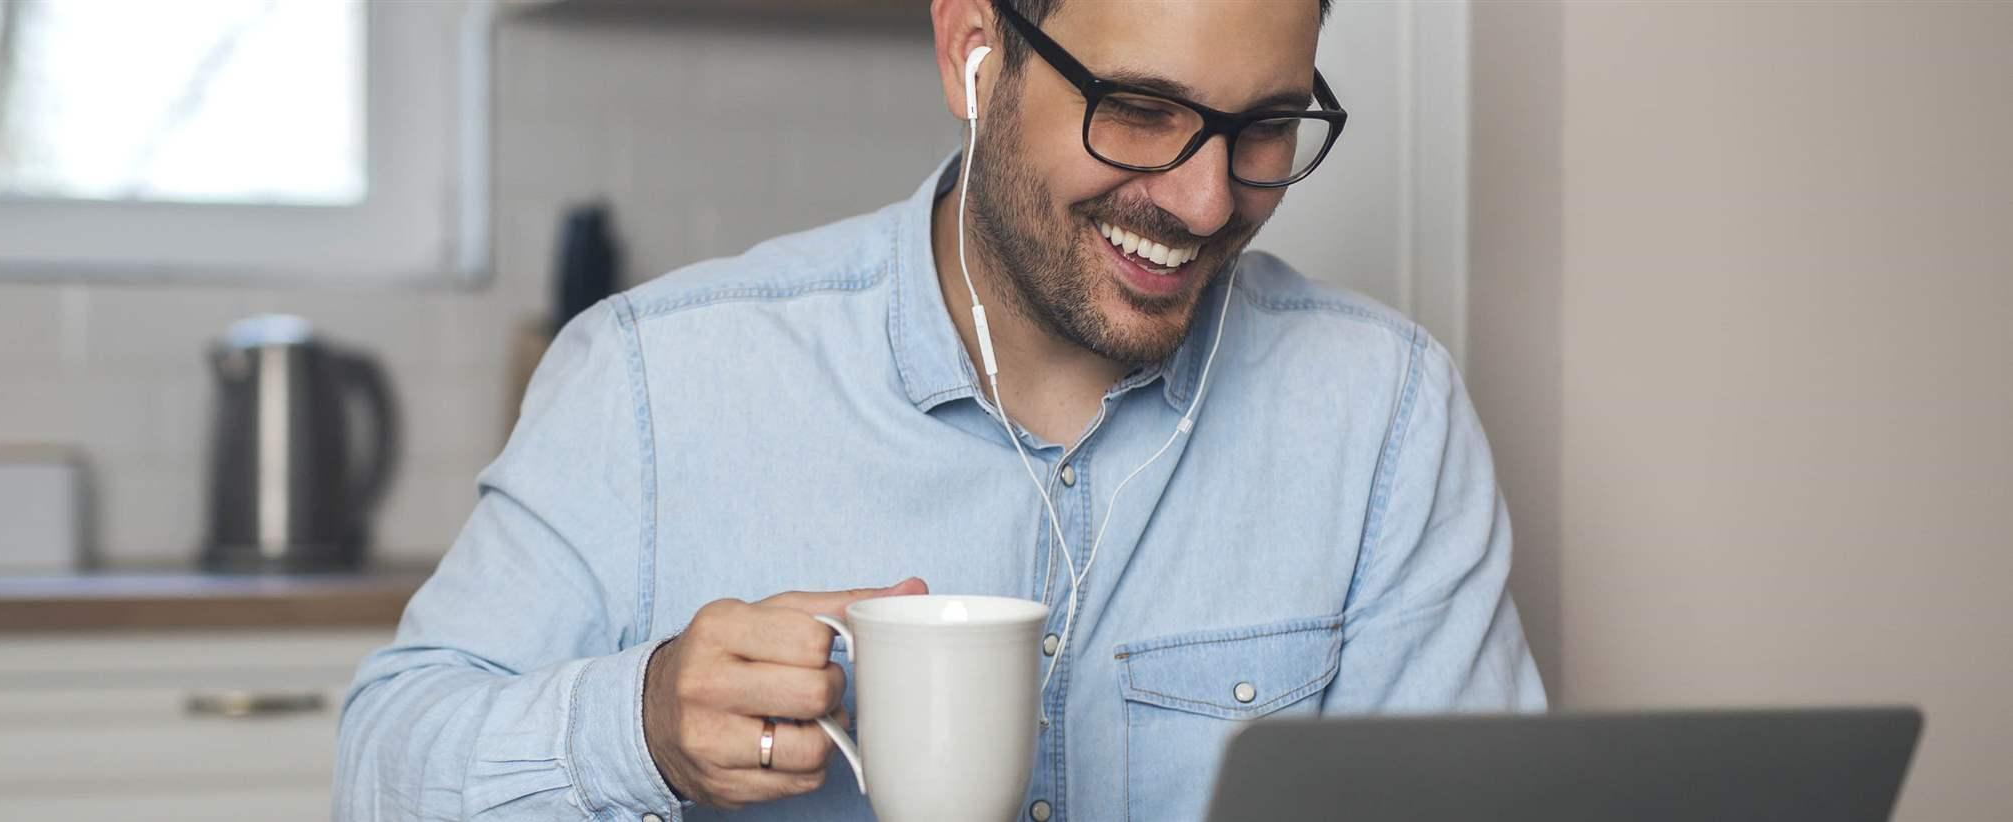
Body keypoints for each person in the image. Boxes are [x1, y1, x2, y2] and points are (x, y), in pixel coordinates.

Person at [335, 0, 1543, 818]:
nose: (1204, 195)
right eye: (1137, 109)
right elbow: (380, 769)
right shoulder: (654, 378)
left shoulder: (1383, 414)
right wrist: (641, 723)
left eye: (1265, 129)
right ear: (973, 50)